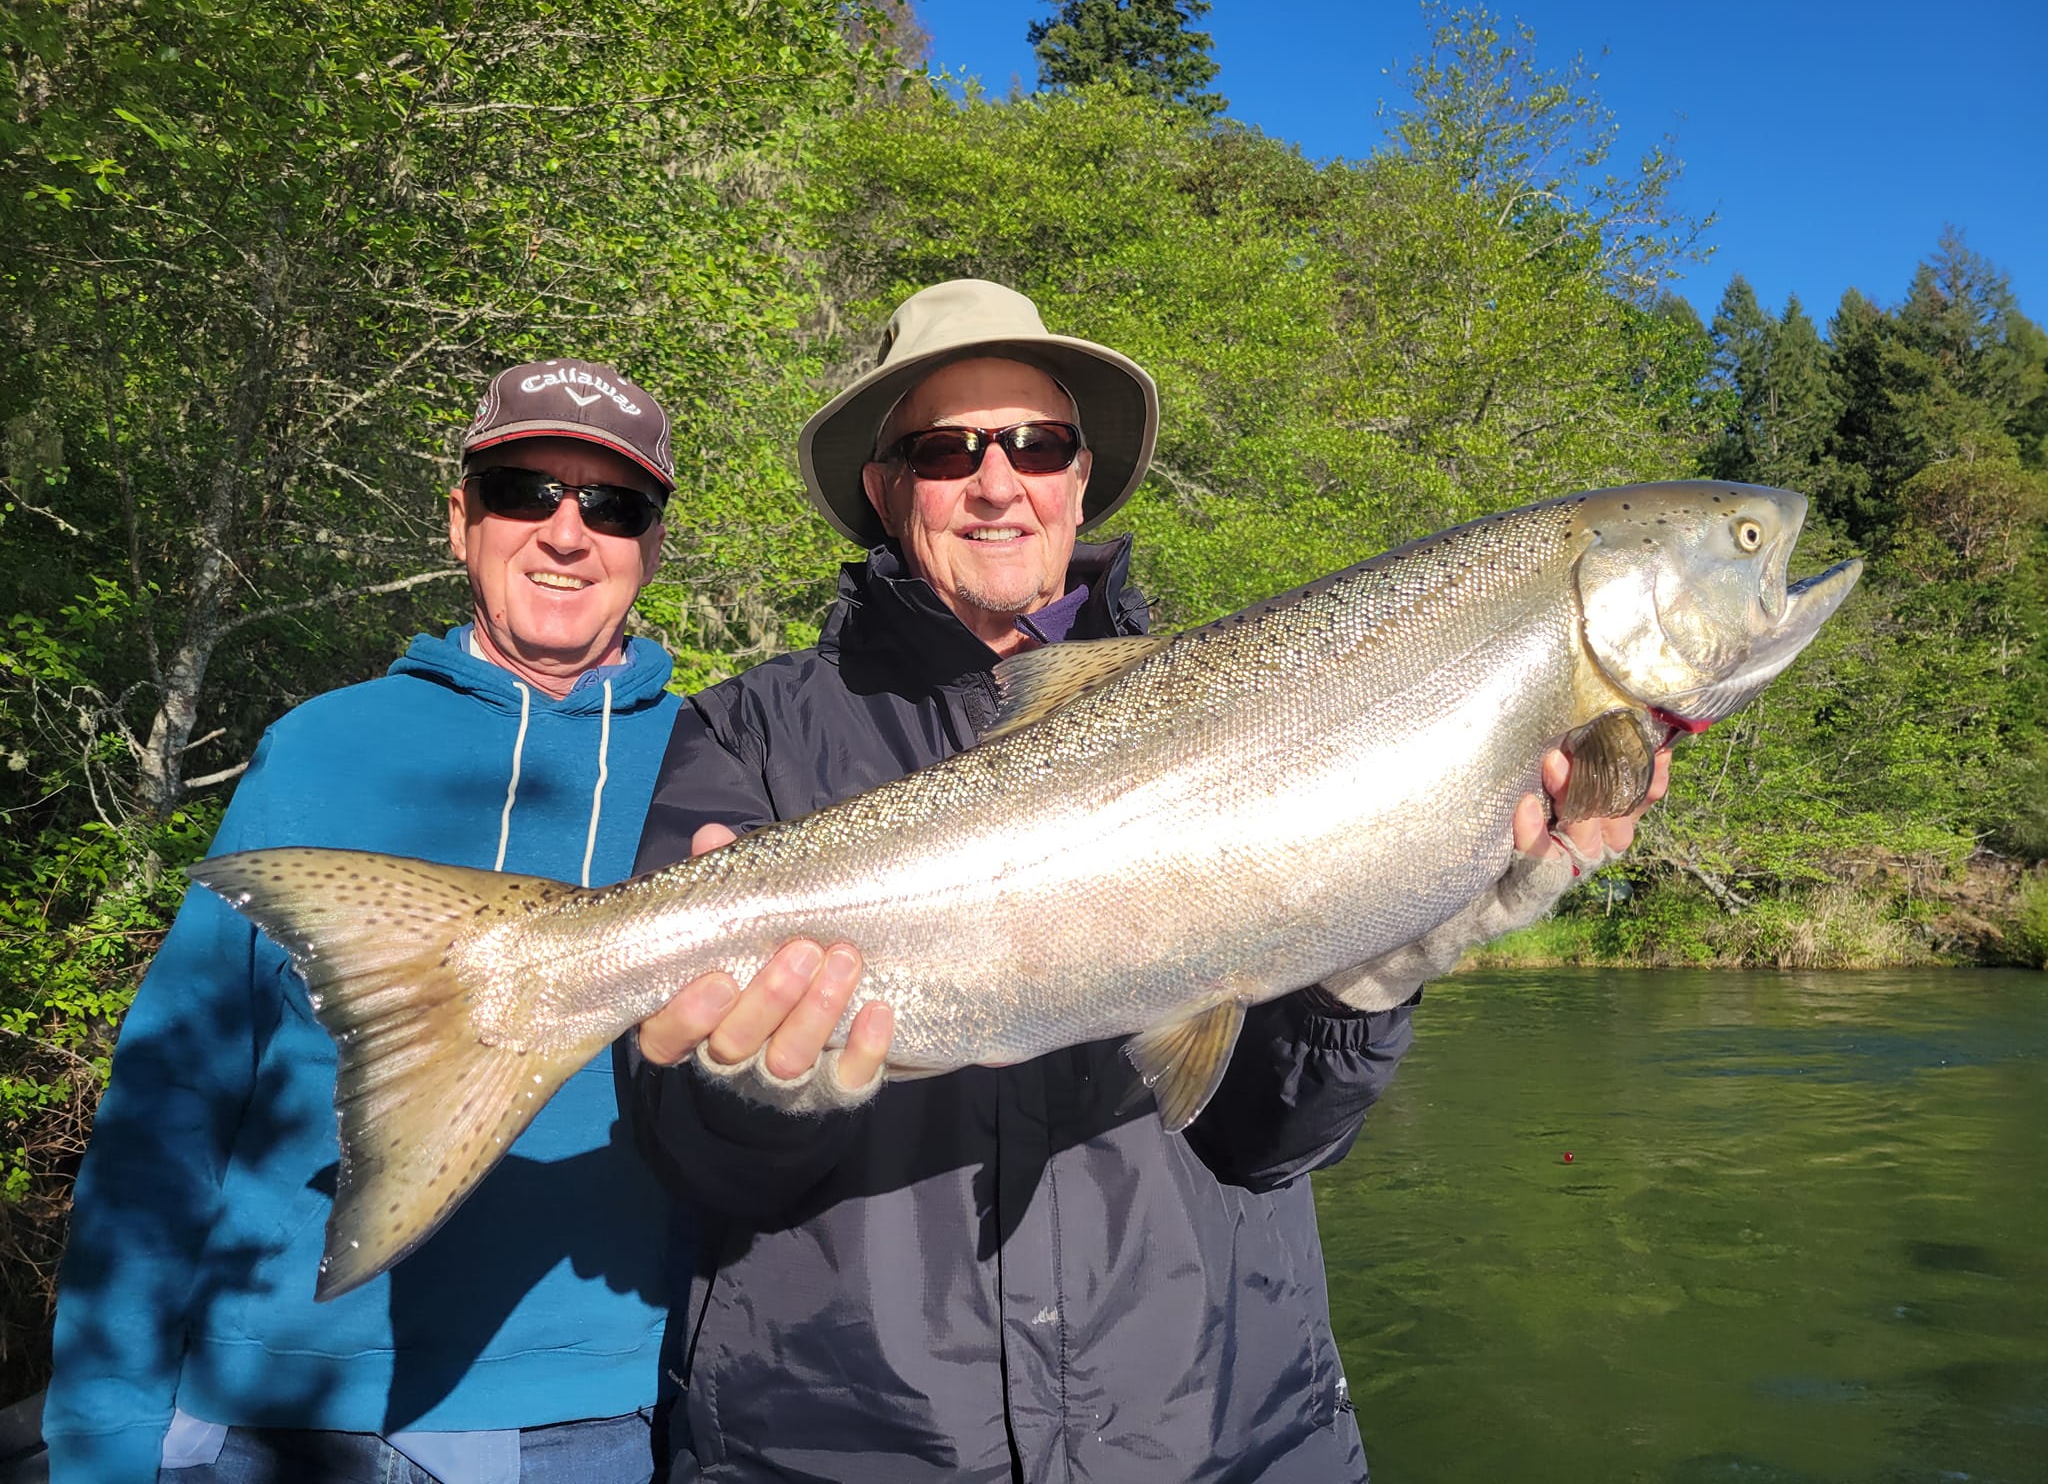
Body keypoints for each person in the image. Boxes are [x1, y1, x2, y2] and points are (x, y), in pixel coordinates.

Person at [618, 280, 1666, 1481]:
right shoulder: (744, 733)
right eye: (946, 448)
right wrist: (752, 1088)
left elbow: (1267, 1144)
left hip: (1221, 1438)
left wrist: (1363, 989)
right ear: (883, 485)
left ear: (1079, 477)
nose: (996, 481)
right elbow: (685, 1154)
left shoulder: (1266, 713)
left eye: (1037, 443)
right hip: (846, 1449)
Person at [45, 361, 689, 1482]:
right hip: (270, 1400)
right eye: (524, 490)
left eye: (612, 504)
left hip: (574, 1417)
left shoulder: (714, 768)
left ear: (649, 548)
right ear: (460, 520)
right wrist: (101, 1432)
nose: (566, 532)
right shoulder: (324, 745)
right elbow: (173, 1099)